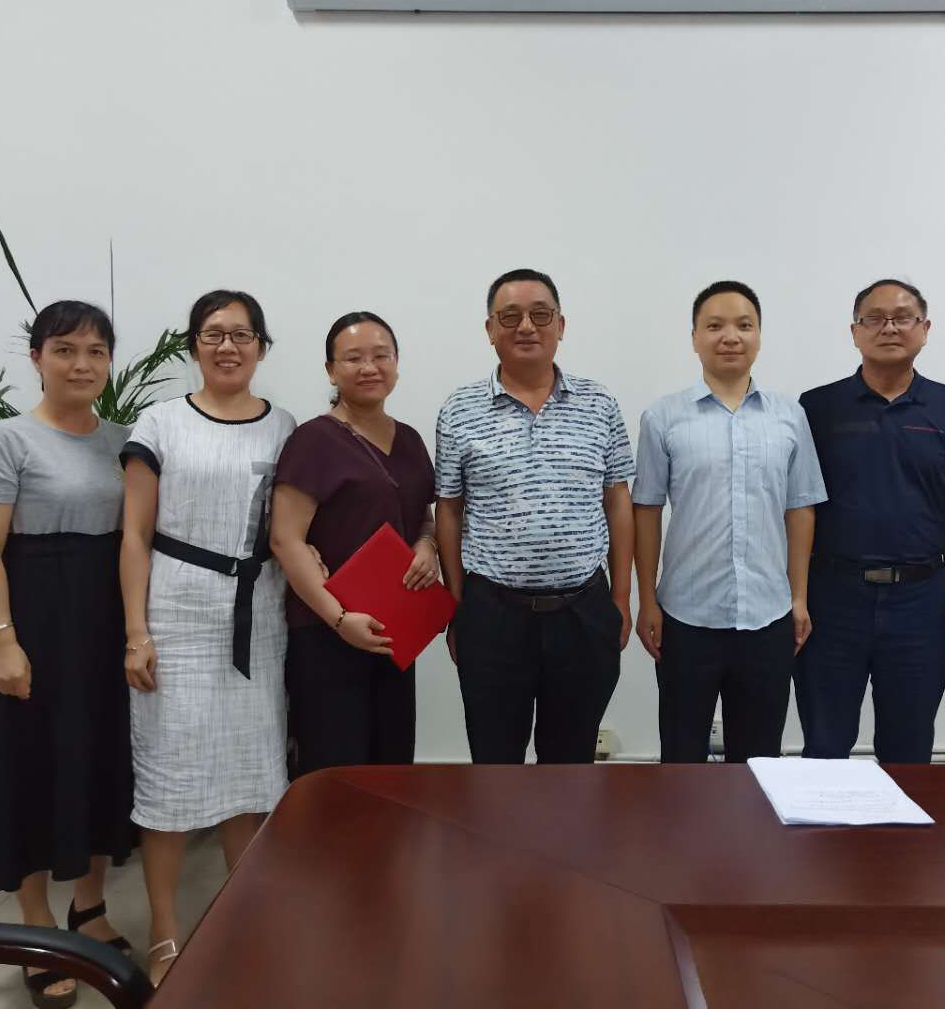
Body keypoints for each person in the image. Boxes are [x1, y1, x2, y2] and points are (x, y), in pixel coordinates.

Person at [0, 300, 133, 1008]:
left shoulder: (124, 441)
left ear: (109, 361)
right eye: (65, 350)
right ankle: (36, 927)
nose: (81, 364)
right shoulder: (5, 440)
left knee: (97, 760)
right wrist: (2, 642)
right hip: (33, 621)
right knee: (28, 767)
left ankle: (89, 909)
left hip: (104, 623)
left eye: (95, 351)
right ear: (37, 358)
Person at [119, 289, 296, 984]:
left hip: (259, 615)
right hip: (177, 612)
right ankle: (165, 930)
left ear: (262, 347)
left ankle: (241, 921)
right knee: (169, 770)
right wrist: (137, 631)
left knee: (251, 775)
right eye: (214, 333)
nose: (229, 346)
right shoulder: (160, 422)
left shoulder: (283, 426)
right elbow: (135, 535)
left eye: (243, 334)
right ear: (193, 344)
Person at [435, 268, 635, 764]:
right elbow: (449, 510)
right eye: (510, 316)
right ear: (490, 329)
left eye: (540, 315)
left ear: (560, 325)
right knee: (494, 763)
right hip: (492, 615)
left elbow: (617, 500)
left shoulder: (599, 403)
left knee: (570, 766)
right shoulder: (459, 410)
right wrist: (456, 606)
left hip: (583, 611)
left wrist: (621, 598)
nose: (526, 326)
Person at [632, 281, 826, 763]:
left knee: (758, 761)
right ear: (694, 337)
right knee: (681, 757)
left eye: (744, 325)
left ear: (759, 336)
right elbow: (647, 510)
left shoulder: (789, 416)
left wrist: (799, 597)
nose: (730, 337)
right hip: (685, 616)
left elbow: (800, 509)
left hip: (768, 615)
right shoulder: (663, 417)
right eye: (714, 325)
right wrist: (647, 599)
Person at [794, 278, 945, 764]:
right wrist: (796, 596)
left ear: (925, 329)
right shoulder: (816, 407)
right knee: (825, 744)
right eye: (874, 319)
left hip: (921, 600)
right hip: (832, 597)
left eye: (902, 318)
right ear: (854, 332)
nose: (889, 328)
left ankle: (903, 820)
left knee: (909, 748)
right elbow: (798, 508)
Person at [270, 311, 439, 774]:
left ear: (397, 364)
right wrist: (340, 618)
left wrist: (428, 547)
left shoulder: (410, 440)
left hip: (394, 629)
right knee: (335, 774)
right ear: (331, 370)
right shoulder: (313, 440)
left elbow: (422, 518)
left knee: (392, 766)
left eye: (381, 356)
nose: (369, 367)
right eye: (353, 358)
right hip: (326, 631)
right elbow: (285, 539)